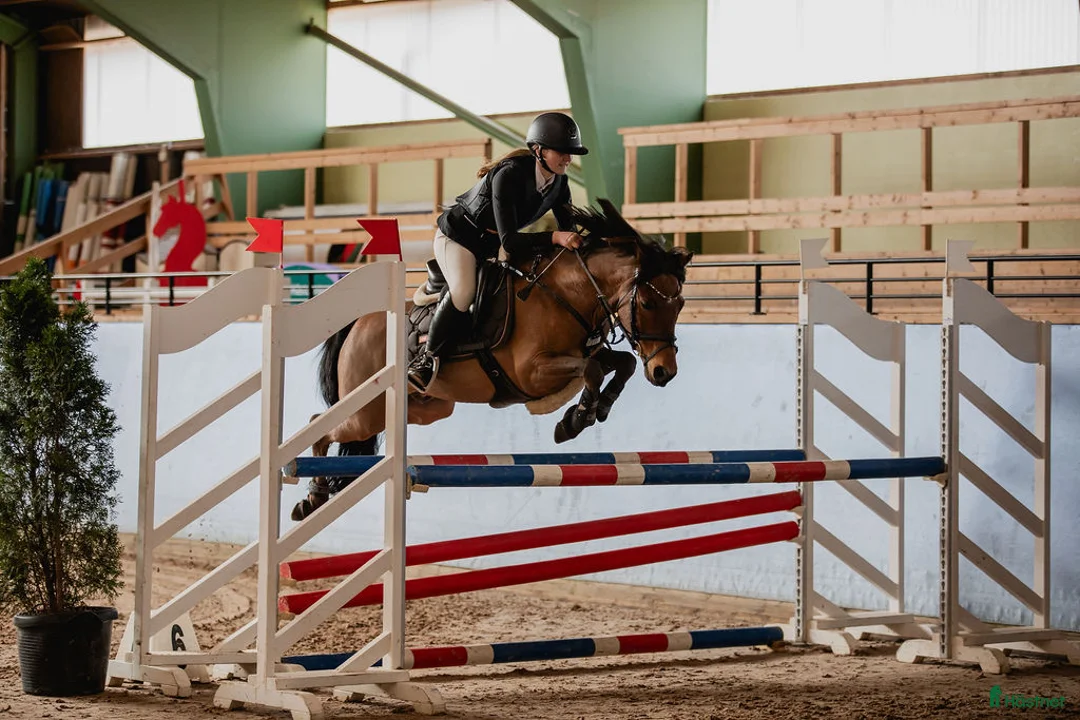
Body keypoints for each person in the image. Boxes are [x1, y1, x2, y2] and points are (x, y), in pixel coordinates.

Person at [408, 111, 589, 392]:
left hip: (489, 246)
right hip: (458, 238)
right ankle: (425, 360)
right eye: (562, 152)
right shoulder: (510, 174)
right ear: (538, 150)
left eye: (571, 153)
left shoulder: (559, 184)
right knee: (464, 291)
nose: (568, 158)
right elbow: (511, 242)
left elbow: (570, 234)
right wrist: (555, 236)